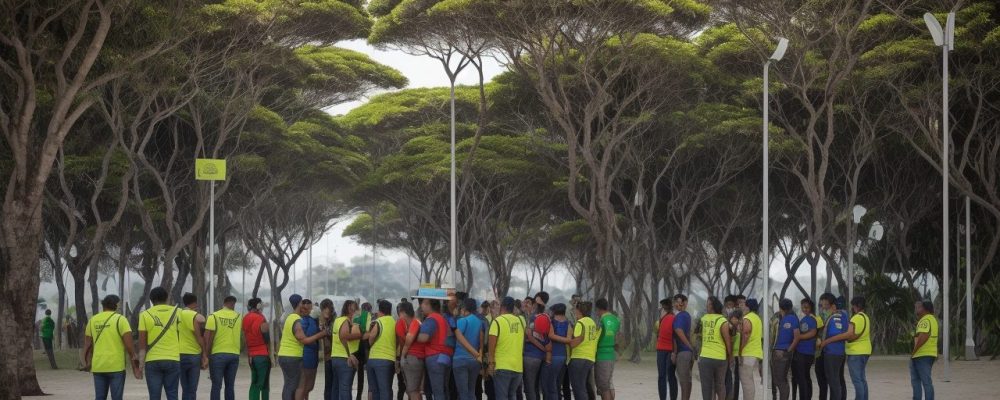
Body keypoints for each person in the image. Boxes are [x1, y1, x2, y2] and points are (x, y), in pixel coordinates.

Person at [82, 295, 139, 400]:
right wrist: (135, 366)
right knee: (117, 398)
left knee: (99, 397)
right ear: (116, 305)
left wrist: (87, 362)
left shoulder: (93, 320)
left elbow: (87, 345)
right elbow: (129, 347)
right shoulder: (121, 320)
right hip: (116, 367)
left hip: (98, 366)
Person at [277, 295, 327, 400]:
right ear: (300, 303)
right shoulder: (297, 320)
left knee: (289, 385)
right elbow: (304, 340)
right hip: (292, 357)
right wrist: (321, 334)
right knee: (298, 386)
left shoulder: (290, 317)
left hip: (284, 355)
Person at [138, 287, 182, 400]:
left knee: (154, 396)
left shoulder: (145, 314)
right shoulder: (178, 312)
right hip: (173, 359)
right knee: (172, 394)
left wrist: (140, 365)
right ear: (167, 298)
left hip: (152, 361)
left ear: (151, 300)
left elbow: (142, 343)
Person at [488, 296, 525, 400]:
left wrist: (491, 364)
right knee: (511, 395)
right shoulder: (521, 322)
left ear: (502, 306)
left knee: (502, 397)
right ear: (513, 308)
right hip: (518, 367)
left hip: (502, 366)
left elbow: (492, 346)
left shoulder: (497, 321)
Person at [698, 296, 731, 400]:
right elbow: (727, 341)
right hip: (720, 358)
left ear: (712, 306)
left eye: (708, 304)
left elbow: (698, 337)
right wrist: (730, 356)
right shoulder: (722, 321)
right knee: (720, 385)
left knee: (707, 387)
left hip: (705, 358)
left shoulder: (703, 319)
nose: (706, 306)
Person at [331, 300, 363, 400]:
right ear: (349, 309)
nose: (357, 311)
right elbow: (344, 336)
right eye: (356, 308)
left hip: (336, 357)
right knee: (345, 389)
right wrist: (360, 335)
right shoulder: (345, 320)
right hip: (345, 359)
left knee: (337, 388)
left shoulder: (338, 320)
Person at [178, 293, 208, 400]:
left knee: (185, 387)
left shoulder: (178, 314)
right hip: (193, 354)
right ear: (195, 303)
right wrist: (204, 354)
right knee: (192, 388)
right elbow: (202, 320)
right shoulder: (193, 315)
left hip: (179, 354)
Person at [817, 294, 847, 400]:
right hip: (836, 352)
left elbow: (837, 335)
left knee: (833, 381)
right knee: (836, 380)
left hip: (833, 353)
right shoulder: (839, 316)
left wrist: (824, 342)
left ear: (833, 306)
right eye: (822, 304)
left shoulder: (836, 317)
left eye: (826, 305)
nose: (823, 307)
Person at [453, 298, 483, 400]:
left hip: (460, 360)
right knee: (471, 391)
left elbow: (459, 337)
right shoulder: (479, 322)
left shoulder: (462, 320)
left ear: (465, 308)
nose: (460, 311)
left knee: (462, 393)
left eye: (461, 308)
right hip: (475, 362)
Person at [367, 300, 398, 400]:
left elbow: (371, 337)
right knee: (385, 389)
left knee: (375, 390)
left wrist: (370, 344)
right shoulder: (394, 322)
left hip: (373, 359)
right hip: (388, 360)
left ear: (380, 311)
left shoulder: (379, 321)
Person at [567, 300, 598, 400]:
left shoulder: (580, 323)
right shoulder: (592, 322)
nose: (574, 312)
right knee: (584, 387)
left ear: (579, 311)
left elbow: (574, 343)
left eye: (575, 310)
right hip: (590, 358)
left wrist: (569, 336)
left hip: (578, 358)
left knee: (578, 388)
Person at [841, 297, 871, 400]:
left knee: (857, 380)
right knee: (862, 379)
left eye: (853, 305)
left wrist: (835, 337)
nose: (852, 308)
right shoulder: (866, 317)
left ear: (856, 306)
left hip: (855, 352)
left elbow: (849, 334)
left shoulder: (856, 318)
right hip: (865, 351)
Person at [791, 298, 820, 400]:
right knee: (806, 377)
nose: (804, 309)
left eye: (807, 307)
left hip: (804, 353)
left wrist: (799, 337)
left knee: (802, 378)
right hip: (803, 352)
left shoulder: (811, 319)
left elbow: (813, 332)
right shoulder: (804, 319)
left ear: (811, 307)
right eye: (803, 307)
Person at [242, 298, 271, 400]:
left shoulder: (245, 318)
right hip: (262, 354)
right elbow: (266, 336)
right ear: (259, 306)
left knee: (254, 382)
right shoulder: (261, 318)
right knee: (263, 384)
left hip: (251, 355)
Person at [523, 292, 550, 400]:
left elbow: (529, 335)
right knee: (536, 387)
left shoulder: (533, 318)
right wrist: (545, 350)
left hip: (531, 356)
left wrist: (541, 347)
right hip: (542, 357)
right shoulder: (548, 317)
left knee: (530, 388)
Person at [398, 301, 425, 400]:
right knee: (415, 390)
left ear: (404, 312)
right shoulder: (417, 322)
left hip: (413, 357)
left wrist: (402, 356)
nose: (399, 315)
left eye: (399, 312)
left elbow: (409, 339)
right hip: (417, 358)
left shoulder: (415, 322)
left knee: (412, 390)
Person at [910, 300, 937, 400]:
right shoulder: (932, 319)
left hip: (922, 355)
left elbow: (923, 336)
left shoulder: (925, 320)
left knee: (921, 381)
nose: (917, 309)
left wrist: (914, 352)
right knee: (923, 381)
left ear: (925, 309)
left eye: (919, 307)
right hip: (929, 354)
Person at [543, 303, 571, 400]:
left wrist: (555, 337)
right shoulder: (568, 323)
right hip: (563, 356)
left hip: (553, 355)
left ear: (554, 311)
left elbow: (550, 335)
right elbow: (569, 339)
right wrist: (565, 340)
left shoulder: (552, 322)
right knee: (558, 384)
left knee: (551, 385)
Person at [594, 298, 620, 400]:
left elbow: (597, 338)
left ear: (598, 309)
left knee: (603, 386)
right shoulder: (615, 319)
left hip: (602, 355)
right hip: (611, 355)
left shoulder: (602, 321)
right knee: (609, 384)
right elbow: (618, 337)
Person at [772, 299, 798, 400]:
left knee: (780, 380)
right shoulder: (782, 318)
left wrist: (789, 350)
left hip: (782, 352)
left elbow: (797, 337)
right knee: (780, 379)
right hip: (779, 351)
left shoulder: (791, 318)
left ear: (780, 308)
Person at [297, 299, 321, 400]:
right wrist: (321, 334)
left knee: (309, 386)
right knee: (305, 385)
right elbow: (307, 337)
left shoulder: (313, 320)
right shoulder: (304, 321)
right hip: (307, 355)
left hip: (313, 355)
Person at [672, 294, 694, 400]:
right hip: (686, 352)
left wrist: (688, 345)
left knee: (684, 380)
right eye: (675, 301)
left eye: (679, 301)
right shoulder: (686, 315)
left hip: (683, 352)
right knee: (687, 379)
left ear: (685, 303)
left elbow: (678, 330)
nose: (677, 304)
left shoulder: (681, 315)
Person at [656, 298, 676, 400]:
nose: (661, 308)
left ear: (666, 307)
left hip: (668, 350)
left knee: (667, 376)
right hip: (661, 349)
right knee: (663, 376)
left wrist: (674, 352)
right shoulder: (662, 319)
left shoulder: (673, 318)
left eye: (662, 306)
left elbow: (675, 335)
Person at [355, 302, 374, 400]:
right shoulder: (371, 317)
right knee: (371, 376)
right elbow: (368, 333)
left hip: (357, 349)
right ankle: (369, 396)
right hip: (367, 349)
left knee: (360, 375)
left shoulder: (357, 317)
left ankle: (358, 396)